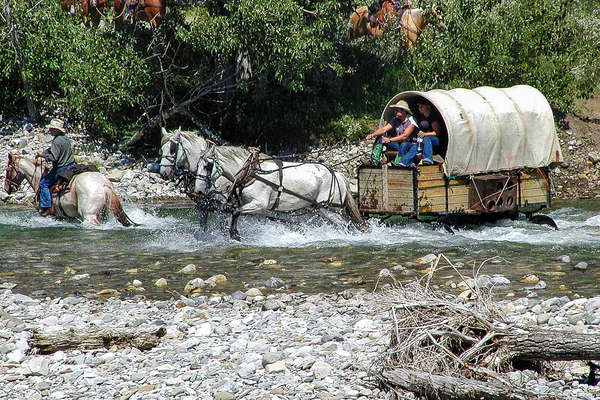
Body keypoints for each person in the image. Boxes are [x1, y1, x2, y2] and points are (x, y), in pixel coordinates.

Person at [35, 118, 76, 217]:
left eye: (52, 128)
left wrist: (42, 156)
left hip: (62, 168)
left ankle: (46, 207)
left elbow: (53, 157)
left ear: (57, 130)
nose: (50, 130)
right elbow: (52, 150)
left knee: (43, 184)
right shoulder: (65, 138)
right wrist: (45, 152)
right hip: (72, 165)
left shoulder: (57, 141)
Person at [365, 100, 418, 165]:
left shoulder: (411, 121)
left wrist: (389, 140)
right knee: (381, 138)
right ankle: (374, 160)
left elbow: (405, 136)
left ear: (404, 111)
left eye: (397, 110)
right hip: (399, 144)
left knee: (404, 144)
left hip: (410, 145)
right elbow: (384, 129)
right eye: (395, 110)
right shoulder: (395, 119)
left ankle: (397, 163)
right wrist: (372, 135)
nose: (395, 112)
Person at [395, 100, 441, 167]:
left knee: (426, 139)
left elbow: (437, 132)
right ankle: (403, 163)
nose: (420, 108)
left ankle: (428, 159)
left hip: (434, 140)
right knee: (415, 146)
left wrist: (425, 134)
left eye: (422, 106)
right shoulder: (420, 117)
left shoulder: (432, 117)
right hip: (423, 140)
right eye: (419, 106)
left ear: (427, 107)